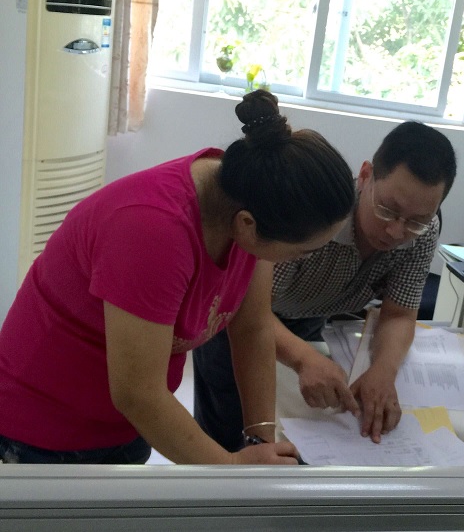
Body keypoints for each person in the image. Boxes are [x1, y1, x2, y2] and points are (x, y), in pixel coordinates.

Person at [0, 89, 356, 464]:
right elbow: (137, 393)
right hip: (43, 426)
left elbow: (252, 328)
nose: (304, 258)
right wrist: (229, 467)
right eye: (303, 251)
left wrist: (260, 436)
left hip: (126, 423)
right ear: (248, 225)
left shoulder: (252, 198)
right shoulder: (153, 230)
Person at [193, 121, 457, 449]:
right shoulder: (314, 216)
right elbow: (248, 317)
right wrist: (303, 357)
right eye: (388, 210)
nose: (396, 231)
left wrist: (383, 371)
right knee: (228, 436)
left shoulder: (423, 234)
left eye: (417, 220)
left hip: (308, 317)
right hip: (236, 319)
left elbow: (399, 314)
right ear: (365, 176)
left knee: (295, 432)